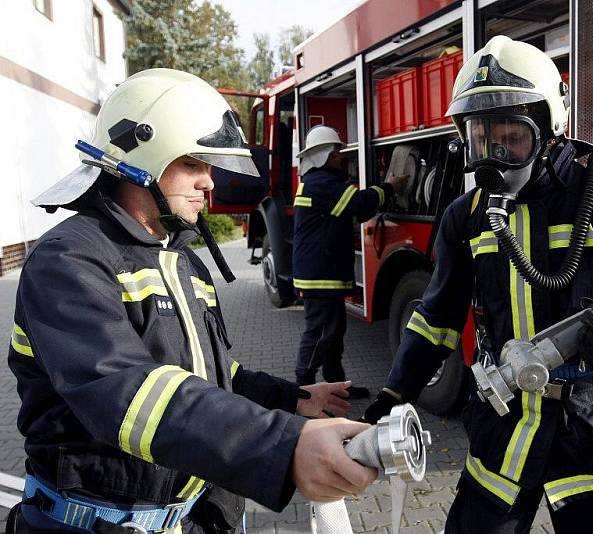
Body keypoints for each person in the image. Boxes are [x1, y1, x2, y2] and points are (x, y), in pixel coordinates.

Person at [7, 68, 376, 534]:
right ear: (141, 157)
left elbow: (214, 373)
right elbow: (124, 392)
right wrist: (282, 448)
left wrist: (296, 400)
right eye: (192, 165)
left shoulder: (181, 259)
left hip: (194, 517)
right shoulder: (68, 260)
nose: (210, 183)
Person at [362, 36, 593, 533]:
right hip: (504, 427)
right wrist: (394, 394)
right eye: (480, 138)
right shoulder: (465, 217)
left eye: (511, 138)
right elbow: (437, 318)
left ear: (550, 128)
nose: (494, 155)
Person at [292, 125, 407, 397]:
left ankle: (338, 388)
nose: (341, 157)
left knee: (332, 336)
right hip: (321, 274)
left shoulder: (314, 181)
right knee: (319, 334)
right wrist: (389, 187)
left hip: (321, 272)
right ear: (326, 155)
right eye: (337, 152)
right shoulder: (323, 184)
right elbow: (360, 204)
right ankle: (302, 390)